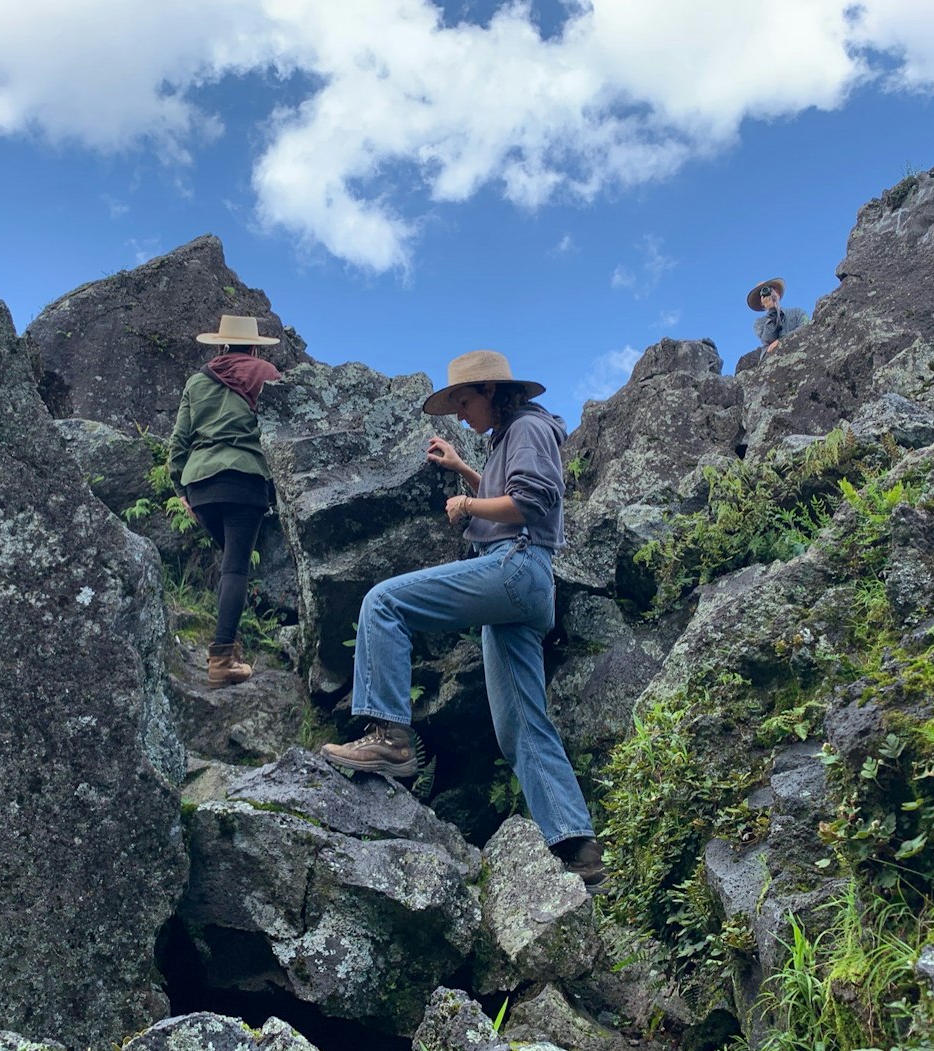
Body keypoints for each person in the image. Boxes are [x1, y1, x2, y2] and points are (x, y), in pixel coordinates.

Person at [320, 349, 607, 892]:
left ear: (494, 392)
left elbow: (532, 504)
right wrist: (464, 470)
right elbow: (514, 493)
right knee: (520, 724)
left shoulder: (526, 427)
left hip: (515, 567)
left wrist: (468, 508)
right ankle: (578, 848)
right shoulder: (512, 436)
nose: (458, 413)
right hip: (521, 584)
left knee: (383, 603)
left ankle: (390, 738)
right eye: (453, 403)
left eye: (464, 400)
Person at [167, 314, 281, 688]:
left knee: (231, 563)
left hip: (200, 487)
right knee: (235, 569)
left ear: (220, 345)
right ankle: (221, 661)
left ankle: (231, 644)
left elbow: (178, 443)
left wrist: (182, 491)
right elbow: (283, 431)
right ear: (252, 347)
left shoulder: (197, 382)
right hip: (244, 482)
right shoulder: (265, 373)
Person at [747, 277, 806, 354]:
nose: (768, 294)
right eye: (763, 294)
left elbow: (806, 327)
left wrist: (781, 341)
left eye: (770, 289)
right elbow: (769, 340)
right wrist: (772, 311)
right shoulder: (759, 323)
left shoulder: (797, 312)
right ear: (761, 302)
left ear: (777, 293)